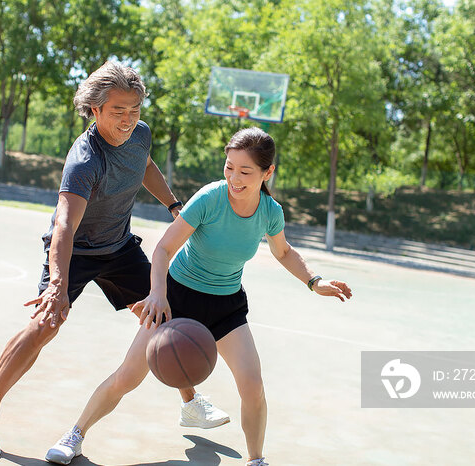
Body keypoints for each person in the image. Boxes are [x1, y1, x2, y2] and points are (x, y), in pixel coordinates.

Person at [0, 61, 229, 459]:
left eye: (134, 110)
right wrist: (57, 285)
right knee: (44, 326)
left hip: (118, 247)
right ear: (95, 109)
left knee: (163, 313)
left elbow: (145, 167)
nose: (128, 119)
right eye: (118, 111)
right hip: (77, 250)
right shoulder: (85, 161)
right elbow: (65, 226)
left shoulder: (140, 134)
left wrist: (174, 204)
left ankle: (190, 404)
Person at [44, 127, 352, 465]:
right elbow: (163, 250)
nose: (234, 177)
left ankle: (256, 459)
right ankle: (74, 435)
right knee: (128, 375)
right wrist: (158, 295)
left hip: (226, 306)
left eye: (245, 171)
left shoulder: (269, 211)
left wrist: (314, 281)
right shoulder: (210, 198)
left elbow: (284, 252)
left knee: (253, 385)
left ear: (268, 173)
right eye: (229, 166)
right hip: (178, 298)